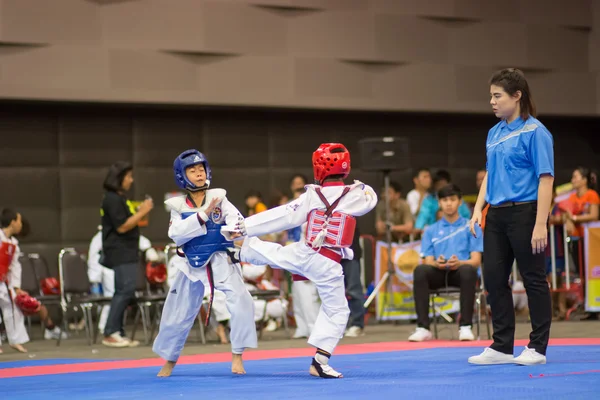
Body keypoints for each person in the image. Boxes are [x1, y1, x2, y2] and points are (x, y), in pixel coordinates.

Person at [223, 143, 378, 379]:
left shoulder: (311, 195)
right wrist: (361, 186)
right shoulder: (356, 195)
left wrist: (243, 226)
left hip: (305, 252)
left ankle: (237, 250)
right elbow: (371, 199)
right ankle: (320, 361)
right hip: (328, 262)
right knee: (337, 311)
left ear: (319, 168)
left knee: (275, 254)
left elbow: (283, 215)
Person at [469, 68, 554, 366]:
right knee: (493, 277)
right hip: (497, 216)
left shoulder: (536, 132)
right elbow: (491, 174)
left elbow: (546, 179)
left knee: (533, 279)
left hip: (526, 213)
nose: (491, 102)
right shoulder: (494, 133)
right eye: (490, 96)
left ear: (517, 96)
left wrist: (540, 222)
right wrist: (478, 208)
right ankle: (502, 346)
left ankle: (537, 348)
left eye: (497, 96)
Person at [153, 149, 256, 377]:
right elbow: (176, 234)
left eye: (201, 169)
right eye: (192, 170)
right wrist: (202, 216)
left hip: (220, 258)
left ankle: (237, 356)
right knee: (178, 312)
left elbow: (236, 221)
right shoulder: (178, 206)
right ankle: (169, 361)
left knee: (241, 301)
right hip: (191, 263)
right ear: (182, 175)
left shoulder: (220, 198)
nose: (198, 173)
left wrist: (233, 233)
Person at [407, 184, 481, 342]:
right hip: (439, 272)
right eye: (445, 200)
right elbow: (428, 260)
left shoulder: (471, 226)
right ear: (439, 203)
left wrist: (459, 262)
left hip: (460, 271)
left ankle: (465, 326)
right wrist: (437, 263)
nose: (448, 203)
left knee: (469, 271)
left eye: (452, 199)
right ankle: (423, 328)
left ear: (460, 202)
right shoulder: (430, 230)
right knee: (420, 270)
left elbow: (476, 260)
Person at [100, 161, 154, 348]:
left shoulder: (119, 198)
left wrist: (139, 213)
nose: (131, 180)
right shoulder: (112, 199)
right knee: (124, 290)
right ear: (119, 178)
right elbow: (122, 226)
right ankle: (110, 332)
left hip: (127, 251)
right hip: (120, 251)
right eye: (129, 176)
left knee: (124, 290)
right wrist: (143, 212)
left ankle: (118, 331)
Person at [0, 209, 65, 354]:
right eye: (19, 221)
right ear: (12, 222)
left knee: (13, 310)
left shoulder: (14, 243)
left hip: (4, 281)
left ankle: (15, 341)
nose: (21, 224)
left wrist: (16, 287)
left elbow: (15, 267)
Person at [87, 226, 156, 333]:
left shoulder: (126, 234)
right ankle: (107, 326)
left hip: (122, 267)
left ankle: (115, 326)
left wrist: (148, 249)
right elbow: (93, 258)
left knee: (120, 297)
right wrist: (94, 276)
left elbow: (140, 240)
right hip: (107, 269)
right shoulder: (101, 237)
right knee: (112, 297)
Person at [342, 224, 366, 337]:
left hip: (350, 252)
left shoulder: (349, 207)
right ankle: (340, 325)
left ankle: (357, 324)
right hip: (331, 253)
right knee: (335, 292)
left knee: (353, 289)